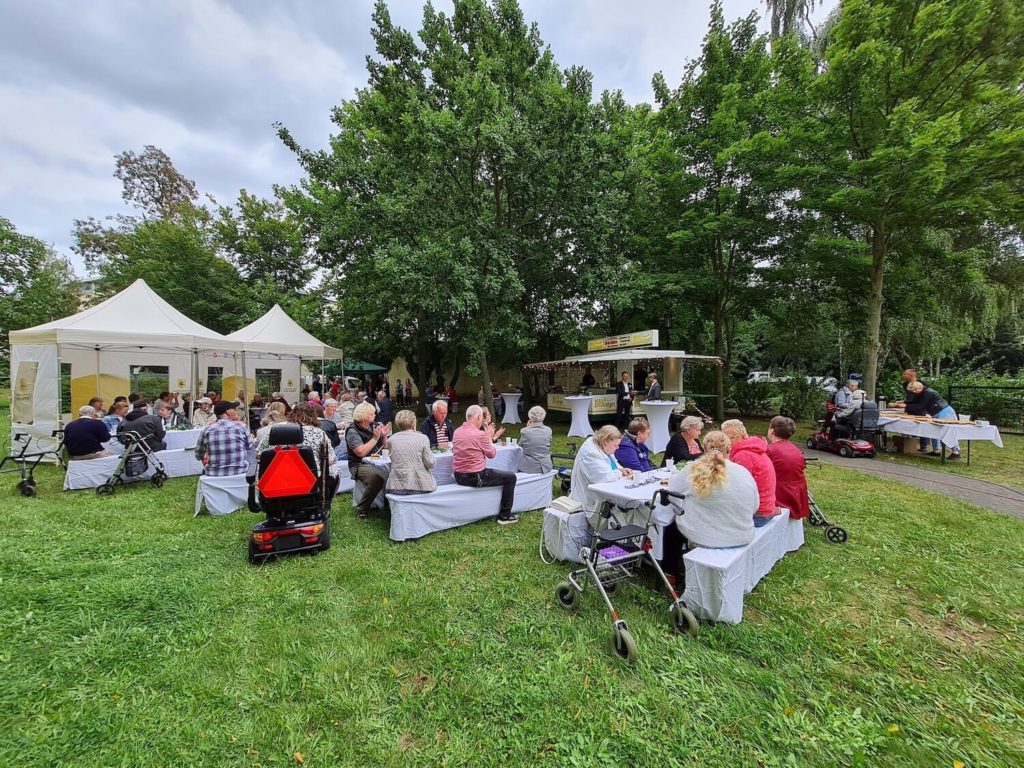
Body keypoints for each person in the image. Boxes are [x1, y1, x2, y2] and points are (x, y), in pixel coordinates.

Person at [667, 430, 757, 549]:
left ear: (704, 449)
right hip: (742, 535)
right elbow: (755, 506)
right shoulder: (743, 471)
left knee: (671, 525)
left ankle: (670, 564)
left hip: (705, 537)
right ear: (729, 449)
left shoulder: (693, 469)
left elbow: (673, 491)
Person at [452, 405, 518, 525]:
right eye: (482, 418)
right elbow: (492, 454)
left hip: (458, 476)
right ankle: (505, 515)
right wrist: (488, 437)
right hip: (475, 477)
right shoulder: (479, 434)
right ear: (478, 417)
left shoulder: (457, 432)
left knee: (499, 474)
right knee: (511, 477)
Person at [255, 402, 339, 495]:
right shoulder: (319, 433)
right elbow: (331, 458)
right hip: (309, 482)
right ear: (313, 415)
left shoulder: (276, 430)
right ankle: (327, 502)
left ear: (292, 413)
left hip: (276, 481)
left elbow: (259, 454)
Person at [569, 425, 633, 524]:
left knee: (632, 506)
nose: (617, 448)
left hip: (604, 495)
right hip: (591, 503)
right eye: (615, 445)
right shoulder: (590, 453)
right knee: (629, 510)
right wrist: (619, 472)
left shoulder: (602, 445)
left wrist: (621, 468)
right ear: (605, 441)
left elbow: (613, 462)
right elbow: (605, 477)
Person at [721, 419, 778, 526]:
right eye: (723, 438)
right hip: (766, 508)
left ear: (742, 436)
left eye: (729, 438)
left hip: (757, 514)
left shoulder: (743, 455)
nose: (725, 442)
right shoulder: (753, 448)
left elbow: (736, 489)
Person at [345, 402, 391, 519]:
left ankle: (389, 504)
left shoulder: (375, 425)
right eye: (372, 414)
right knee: (376, 480)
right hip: (359, 464)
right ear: (364, 415)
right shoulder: (352, 430)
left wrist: (384, 436)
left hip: (378, 460)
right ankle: (362, 509)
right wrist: (375, 438)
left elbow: (385, 449)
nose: (375, 415)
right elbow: (360, 452)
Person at [766, 416, 810, 520]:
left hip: (779, 496)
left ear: (772, 431)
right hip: (796, 494)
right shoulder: (795, 449)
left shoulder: (770, 450)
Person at [196, 399, 254, 477]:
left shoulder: (206, 430)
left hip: (213, 473)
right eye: (234, 409)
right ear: (228, 412)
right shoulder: (242, 427)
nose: (236, 411)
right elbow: (249, 447)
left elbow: (198, 455)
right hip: (240, 471)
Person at [385, 410, 437, 495]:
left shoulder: (391, 440)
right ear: (413, 423)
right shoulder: (422, 438)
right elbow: (431, 464)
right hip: (421, 486)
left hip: (396, 487)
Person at [905, 381, 961, 459]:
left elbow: (921, 405)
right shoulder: (921, 393)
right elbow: (915, 401)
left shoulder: (929, 392)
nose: (914, 392)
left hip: (944, 412)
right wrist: (904, 403)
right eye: (912, 391)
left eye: (915, 390)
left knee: (947, 431)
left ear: (920, 387)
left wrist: (906, 406)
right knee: (934, 430)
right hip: (935, 413)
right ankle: (936, 450)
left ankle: (955, 452)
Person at [518, 405, 553, 473]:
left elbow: (519, 446)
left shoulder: (524, 431)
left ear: (530, 417)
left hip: (529, 466)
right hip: (546, 466)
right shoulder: (549, 430)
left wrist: (527, 428)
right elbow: (549, 444)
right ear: (543, 417)